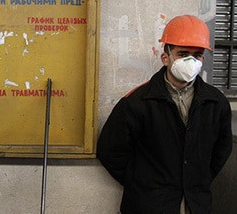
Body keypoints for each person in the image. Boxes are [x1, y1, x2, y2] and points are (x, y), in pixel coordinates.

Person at [97, 15, 233, 214]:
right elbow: (110, 151)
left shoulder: (216, 103)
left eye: (197, 55)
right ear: (166, 57)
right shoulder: (137, 102)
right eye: (183, 53)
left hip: (196, 205)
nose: (191, 60)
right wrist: (143, 184)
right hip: (149, 206)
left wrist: (195, 181)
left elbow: (221, 151)